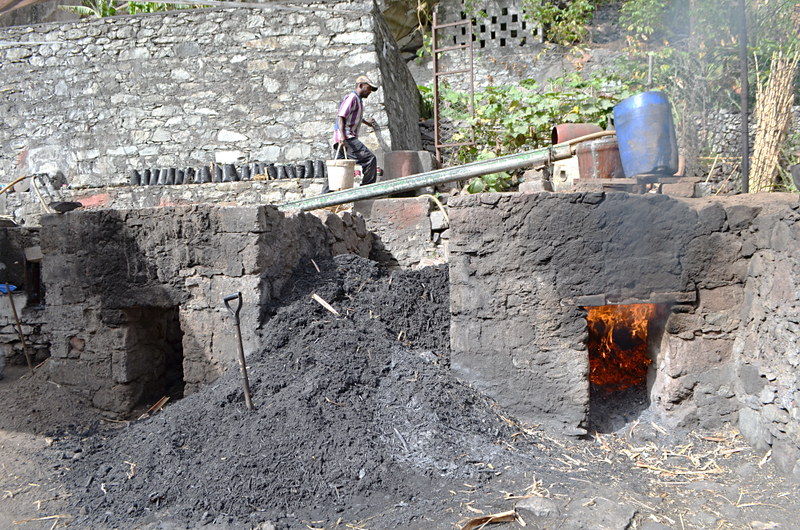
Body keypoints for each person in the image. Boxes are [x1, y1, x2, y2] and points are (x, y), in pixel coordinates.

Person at [331, 75, 380, 187]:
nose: (369, 92)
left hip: (343, 138)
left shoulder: (358, 101)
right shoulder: (352, 97)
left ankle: (323, 198)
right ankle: (367, 189)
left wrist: (367, 123)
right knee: (369, 159)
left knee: (336, 168)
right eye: (368, 88)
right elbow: (341, 116)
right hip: (347, 137)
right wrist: (343, 136)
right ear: (361, 85)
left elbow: (355, 117)